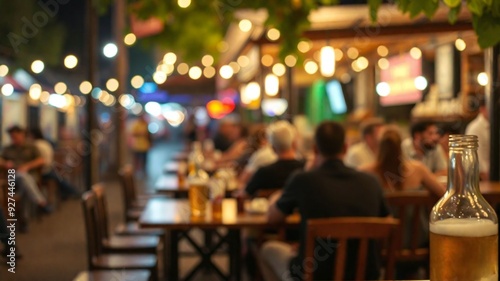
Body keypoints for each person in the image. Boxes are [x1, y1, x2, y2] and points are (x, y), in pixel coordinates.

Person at [260, 121, 390, 281]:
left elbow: (273, 218)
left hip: (314, 273)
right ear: (345, 148)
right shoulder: (371, 181)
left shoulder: (303, 180)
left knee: (268, 250)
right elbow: (387, 224)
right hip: (366, 274)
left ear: (315, 149)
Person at [360, 126, 445, 196]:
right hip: (412, 217)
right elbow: (443, 194)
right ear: (400, 146)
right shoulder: (418, 169)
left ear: (380, 147)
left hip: (380, 217)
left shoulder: (365, 172)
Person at [241, 121, 304, 197]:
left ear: (273, 148)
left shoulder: (263, 173)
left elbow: (245, 194)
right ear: (294, 144)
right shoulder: (305, 170)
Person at [29, 128, 80, 200]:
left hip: (42, 171)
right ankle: (71, 192)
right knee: (58, 178)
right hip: (50, 168)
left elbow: (42, 161)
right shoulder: (45, 143)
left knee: (56, 177)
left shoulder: (35, 145)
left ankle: (71, 192)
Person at [466, 95, 490, 180]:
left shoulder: (493, 126)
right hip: (481, 180)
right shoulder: (475, 128)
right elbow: (476, 160)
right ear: (482, 109)